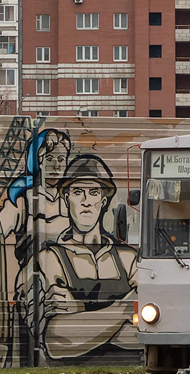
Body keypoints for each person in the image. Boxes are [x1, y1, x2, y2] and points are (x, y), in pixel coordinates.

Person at [34, 154, 140, 360]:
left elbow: (144, 336)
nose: (86, 202)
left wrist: (81, 310)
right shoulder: (52, 258)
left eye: (93, 193)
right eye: (77, 192)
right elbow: (57, 340)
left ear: (103, 201)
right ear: (66, 199)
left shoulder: (128, 257)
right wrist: (125, 309)